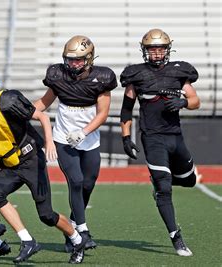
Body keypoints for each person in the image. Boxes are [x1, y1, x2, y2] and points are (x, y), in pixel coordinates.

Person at [0, 67, 88, 264]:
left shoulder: (7, 100)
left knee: (46, 215)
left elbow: (43, 116)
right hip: (10, 165)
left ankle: (77, 239)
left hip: (31, 160)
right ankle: (27, 241)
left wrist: (49, 142)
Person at [119, 28, 200, 257]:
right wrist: (126, 137)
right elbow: (126, 111)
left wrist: (183, 104)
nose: (156, 53)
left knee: (189, 181)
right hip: (152, 137)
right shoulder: (135, 76)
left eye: (160, 48)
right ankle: (176, 236)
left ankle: (161, 185)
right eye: (152, 49)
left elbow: (195, 100)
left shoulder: (178, 72)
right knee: (164, 188)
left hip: (175, 137)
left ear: (167, 50)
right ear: (145, 51)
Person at [35, 35, 117, 252]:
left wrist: (84, 132)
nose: (73, 64)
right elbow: (43, 103)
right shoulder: (57, 75)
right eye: (70, 59)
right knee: (77, 181)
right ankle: (82, 230)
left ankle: (72, 228)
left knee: (88, 184)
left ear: (89, 58)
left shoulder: (102, 77)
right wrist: (17, 110)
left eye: (79, 60)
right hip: (63, 139)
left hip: (89, 140)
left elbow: (103, 113)